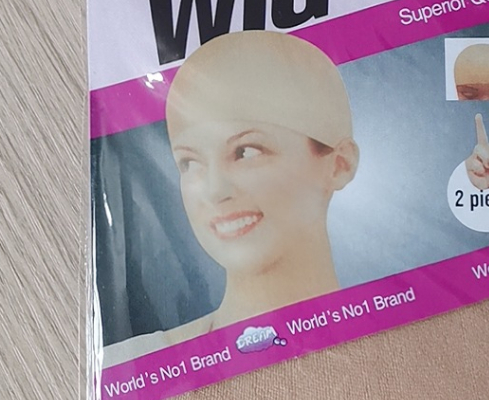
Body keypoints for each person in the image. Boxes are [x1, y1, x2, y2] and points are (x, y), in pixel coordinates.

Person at [104, 30, 359, 366]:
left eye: (247, 151)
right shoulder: (129, 367)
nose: (214, 190)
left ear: (339, 165)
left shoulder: (408, 338)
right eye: (189, 162)